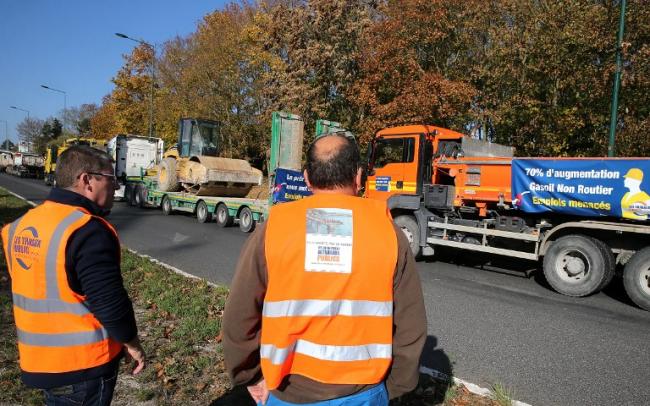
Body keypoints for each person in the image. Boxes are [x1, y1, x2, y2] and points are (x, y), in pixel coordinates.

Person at [222, 133, 426, 405]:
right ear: (359, 177)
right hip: (364, 393)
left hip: (287, 393)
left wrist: (249, 375)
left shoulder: (275, 229)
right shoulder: (389, 234)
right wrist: (397, 386)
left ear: (307, 178)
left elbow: (239, 314)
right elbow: (411, 325)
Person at [1, 145, 146, 406]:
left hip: (38, 360)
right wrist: (131, 341)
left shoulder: (19, 227)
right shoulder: (86, 230)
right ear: (86, 180)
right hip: (82, 366)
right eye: (111, 179)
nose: (115, 187)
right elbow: (109, 302)